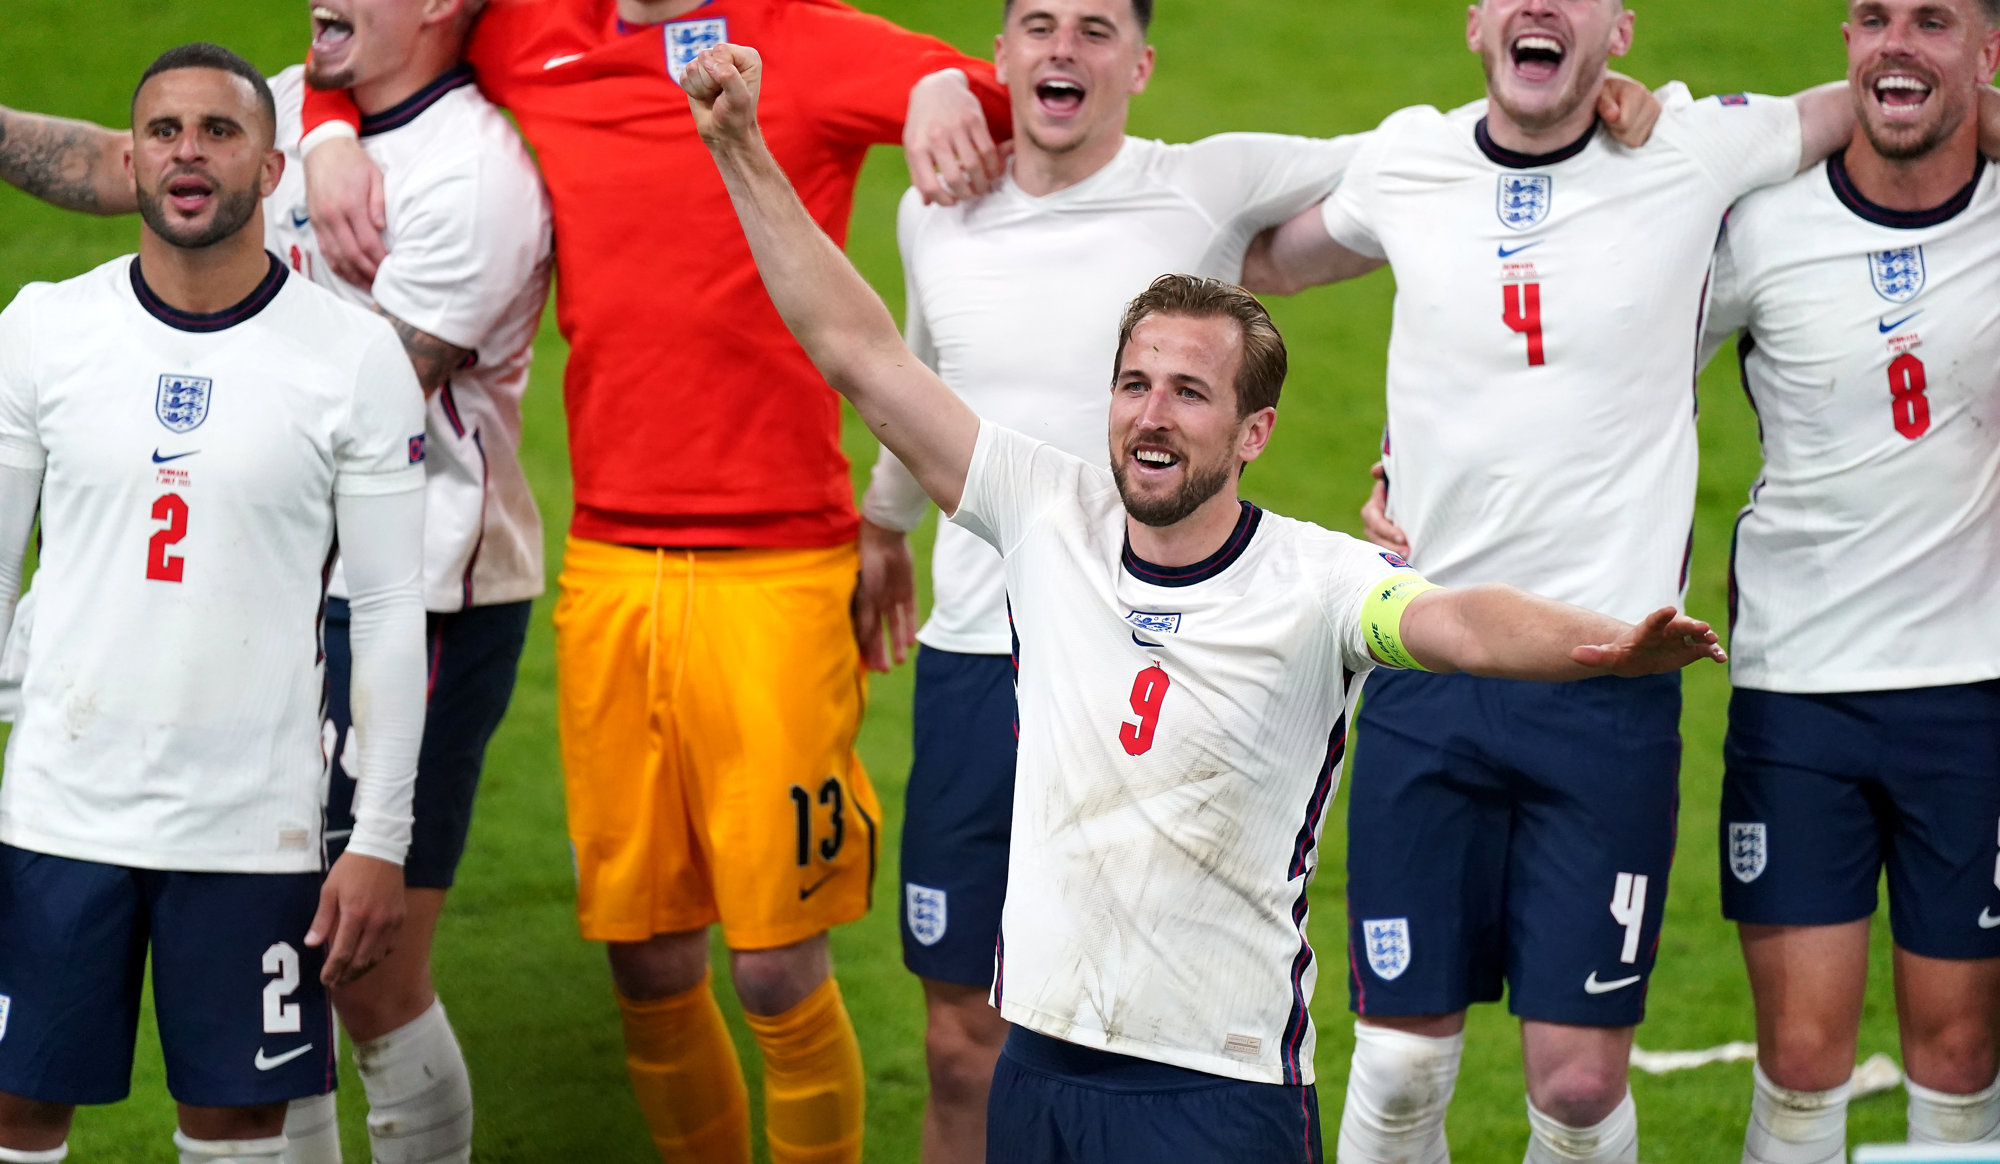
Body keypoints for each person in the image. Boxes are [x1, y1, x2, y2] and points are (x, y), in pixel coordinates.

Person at [682, 39, 1730, 1163]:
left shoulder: (1317, 583)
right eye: (1134, 384)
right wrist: (738, 145)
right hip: (1038, 1069)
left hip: (1218, 1095)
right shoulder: (1047, 520)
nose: (1151, 416)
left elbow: (1461, 623)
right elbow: (860, 352)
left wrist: (1605, 645)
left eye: (1189, 392)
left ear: (1252, 430)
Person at [296, 2, 1013, 1160]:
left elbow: (1005, 88)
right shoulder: (532, 31)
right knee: (649, 960)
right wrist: (329, 132)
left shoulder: (807, 38)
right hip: (613, 567)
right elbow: (363, 41)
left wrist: (944, 88)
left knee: (778, 967)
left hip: (778, 569)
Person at [1235, 1, 1885, 1158]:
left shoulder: (1690, 149)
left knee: (1579, 1089)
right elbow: (1259, 260)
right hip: (1428, 662)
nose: (1539, 7)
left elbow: (1874, 99)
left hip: (1607, 679)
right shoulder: (1409, 160)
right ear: (1475, 23)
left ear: (1618, 31)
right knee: (1392, 1066)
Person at [0, 5, 554, 1160]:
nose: (182, 150)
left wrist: (378, 838)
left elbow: (354, 521)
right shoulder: (58, 326)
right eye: (163, 133)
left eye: (213, 135)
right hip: (105, 756)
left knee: (356, 985)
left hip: (408, 607)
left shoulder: (463, 202)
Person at [1698, 0, 2000, 1158]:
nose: (1895, 45)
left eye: (1932, 21)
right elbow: (1619, 369)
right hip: (1798, 689)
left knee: (1962, 1053)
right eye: (1873, 17)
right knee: (1801, 1055)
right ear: (1841, 39)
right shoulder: (1763, 228)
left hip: (1971, 686)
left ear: (1986, 49)